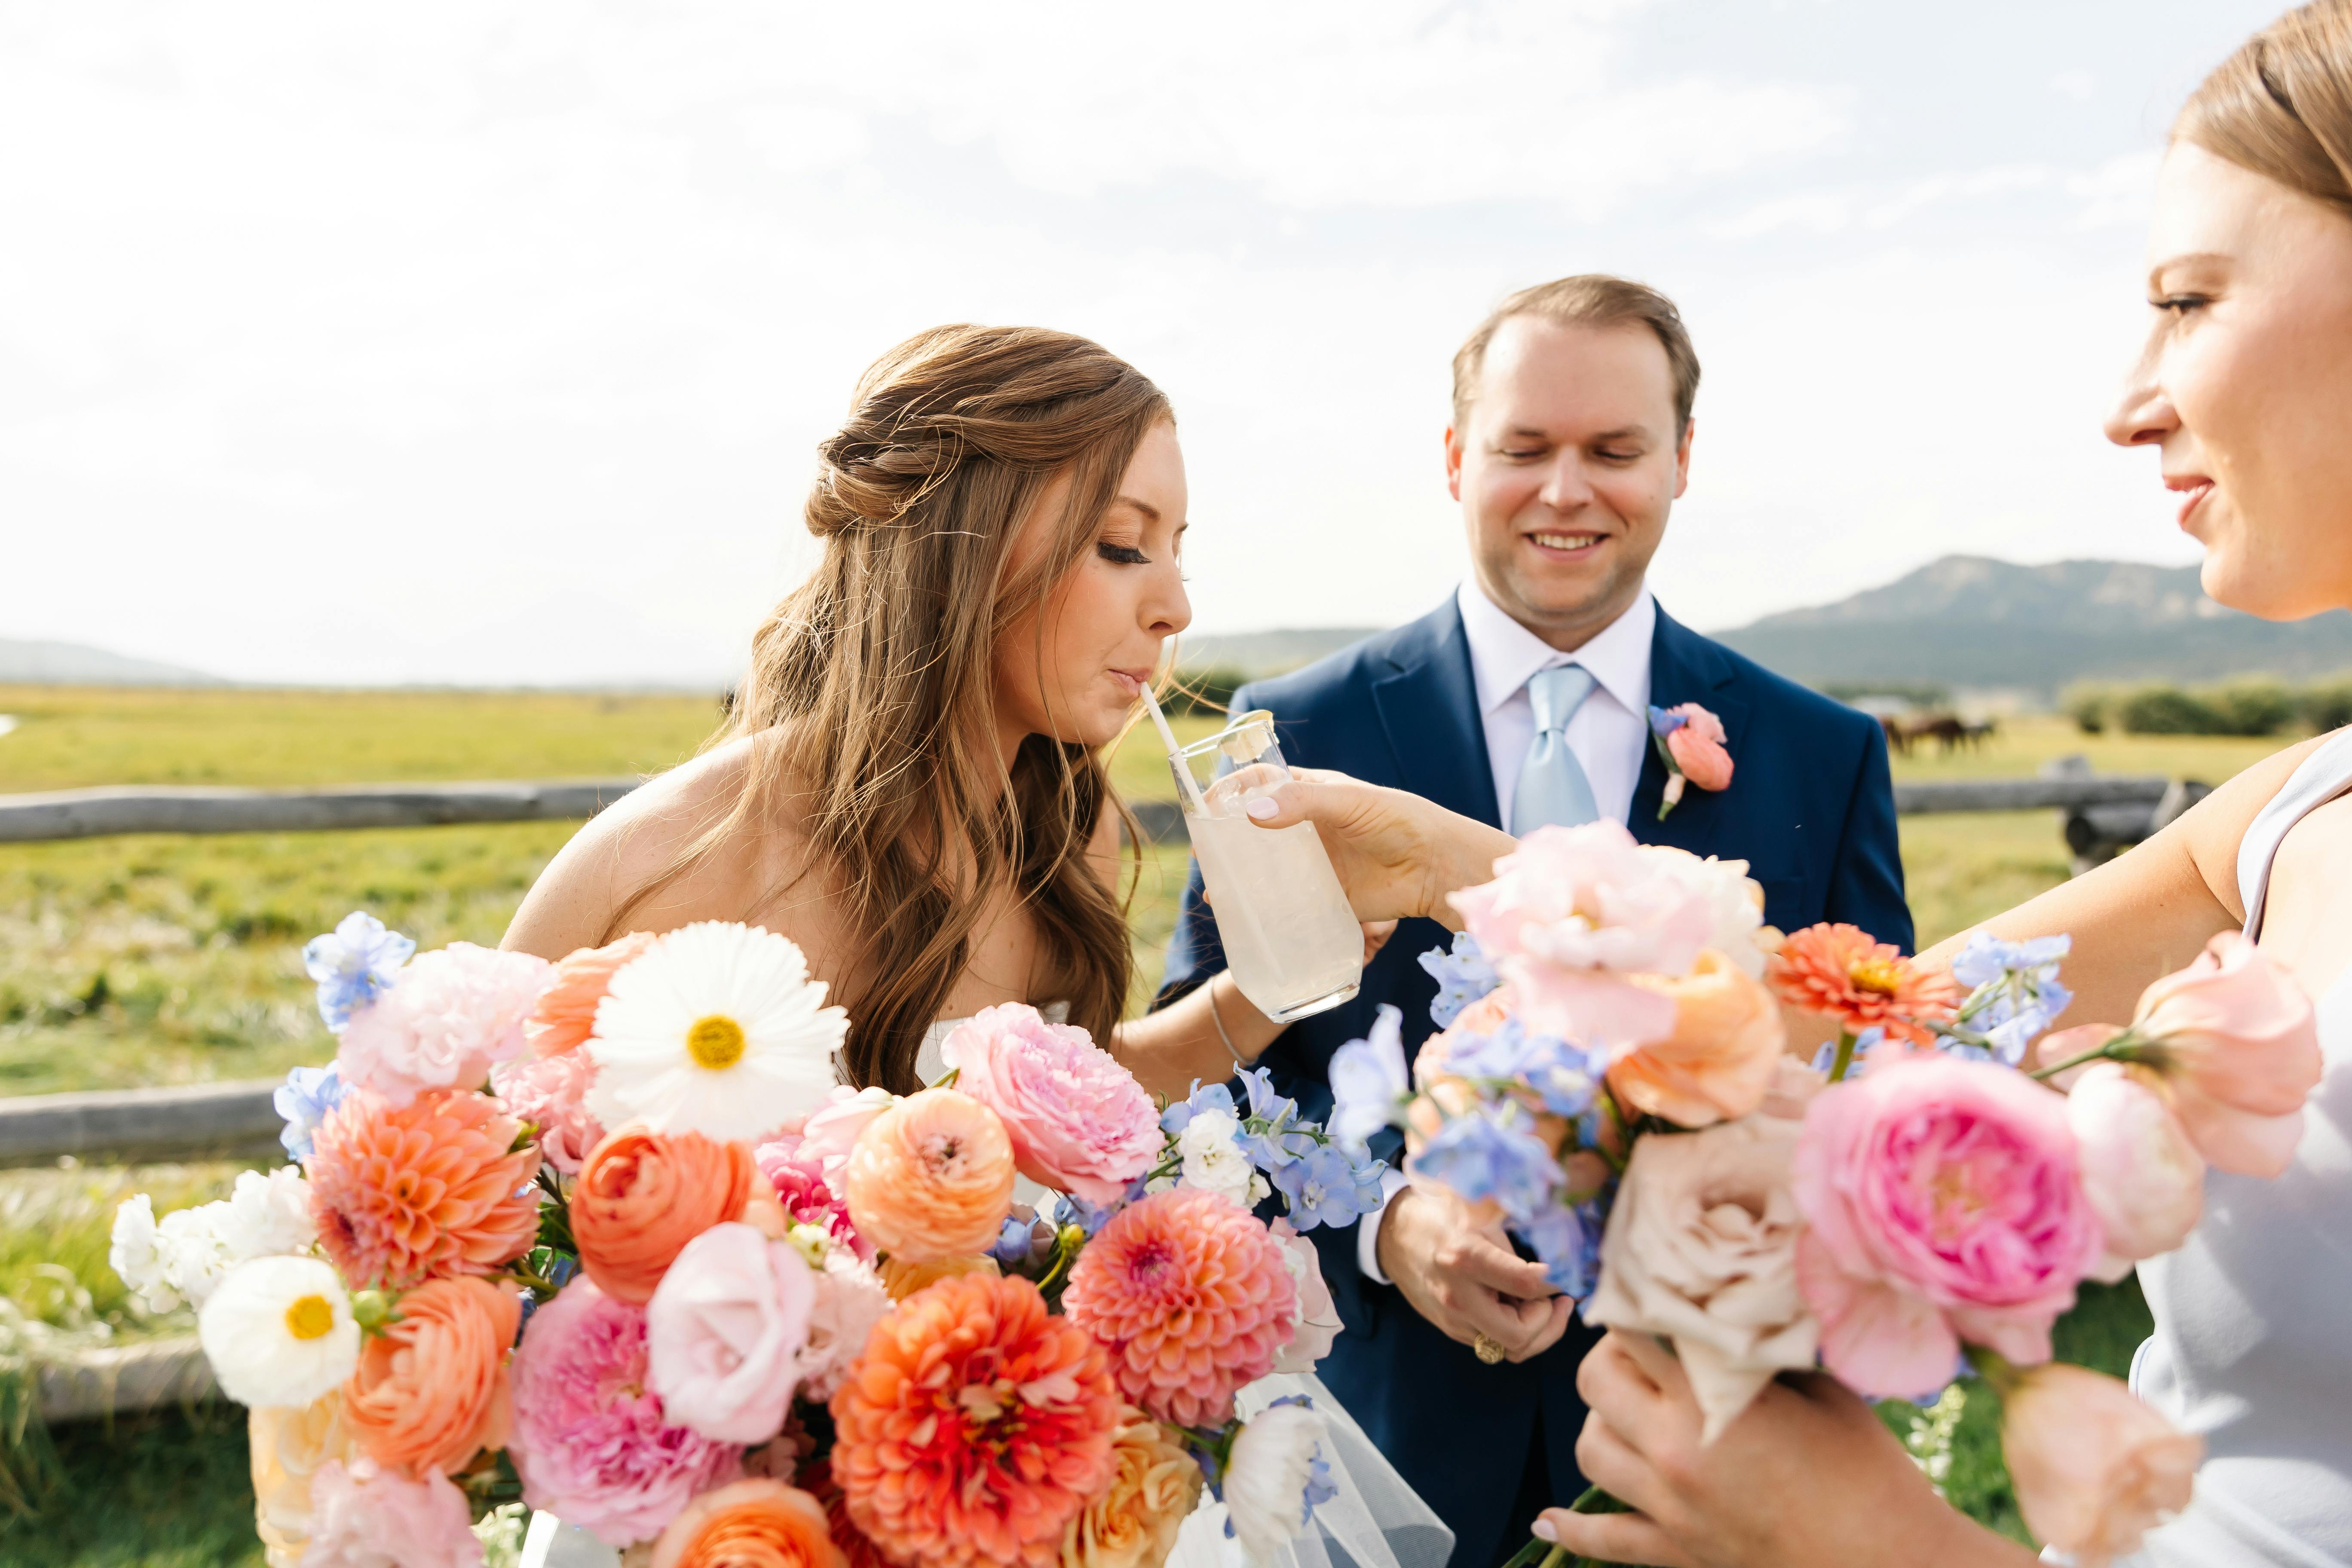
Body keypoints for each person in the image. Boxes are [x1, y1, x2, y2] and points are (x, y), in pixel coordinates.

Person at [1518, 5, 2352, 1563]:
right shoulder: (2300, 813)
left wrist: (1874, 1542)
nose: (2130, 402)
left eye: (2189, 300)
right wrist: (1500, 995)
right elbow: (1846, 1043)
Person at [502, 322, 1452, 1568]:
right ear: (961, 547)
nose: (1174, 606)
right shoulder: (669, 858)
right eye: (1123, 546)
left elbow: (1076, 1100)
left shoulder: (1068, 832)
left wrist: (1270, 987)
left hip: (1004, 1475)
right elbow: (486, 1189)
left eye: (1176, 551)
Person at [1153, 276, 1914, 1567]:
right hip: (1382, 1448)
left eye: (1614, 450)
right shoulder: (1296, 731)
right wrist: (1386, 1221)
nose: (1567, 491)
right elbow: (1209, 1088)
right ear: (1457, 458)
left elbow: (1870, 1078)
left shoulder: (1823, 751)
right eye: (1524, 449)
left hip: (1722, 1457)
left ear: (1682, 460)